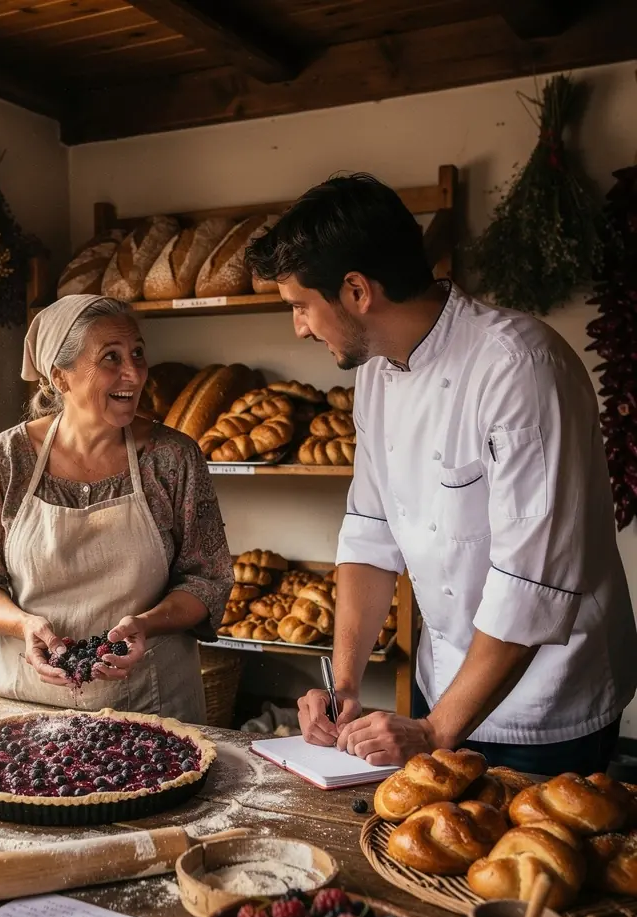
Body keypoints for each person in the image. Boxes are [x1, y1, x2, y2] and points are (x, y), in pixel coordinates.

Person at [246, 173, 637, 775]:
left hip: (547, 702)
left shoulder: (519, 368)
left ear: (355, 290)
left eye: (301, 306)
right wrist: (344, 682)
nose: (299, 326)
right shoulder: (376, 374)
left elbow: (529, 582)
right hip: (444, 685)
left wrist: (434, 730)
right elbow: (369, 533)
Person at [0, 294, 232, 724]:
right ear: (61, 378)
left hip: (150, 706)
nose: (133, 373)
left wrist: (147, 624)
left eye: (137, 353)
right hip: (27, 705)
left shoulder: (172, 458)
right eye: (110, 358)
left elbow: (208, 580)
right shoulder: (5, 460)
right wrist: (25, 625)